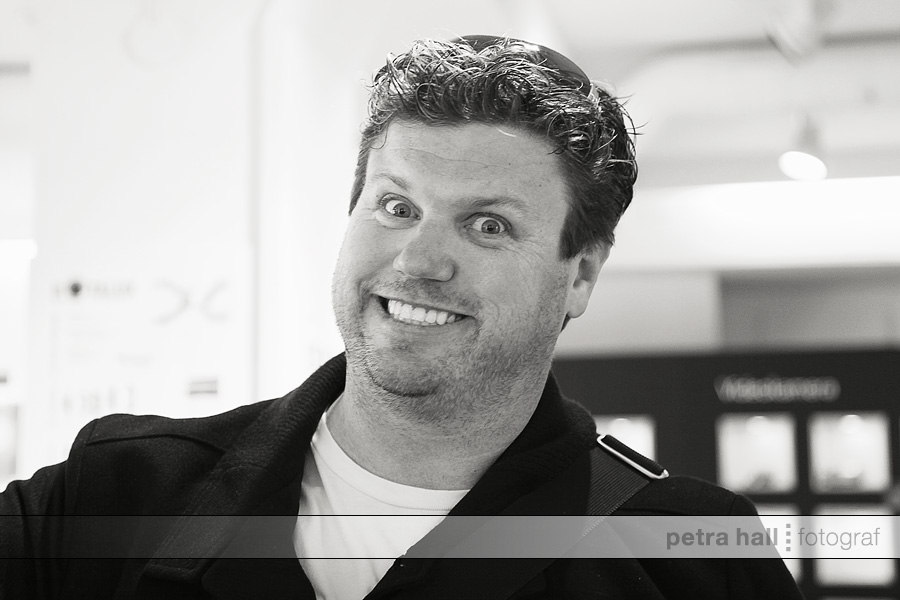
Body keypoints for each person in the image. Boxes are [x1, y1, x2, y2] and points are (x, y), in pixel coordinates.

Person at [1, 35, 803, 599]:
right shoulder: (118, 493)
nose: (418, 262)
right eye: (396, 206)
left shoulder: (692, 558)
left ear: (580, 275)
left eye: (488, 225)